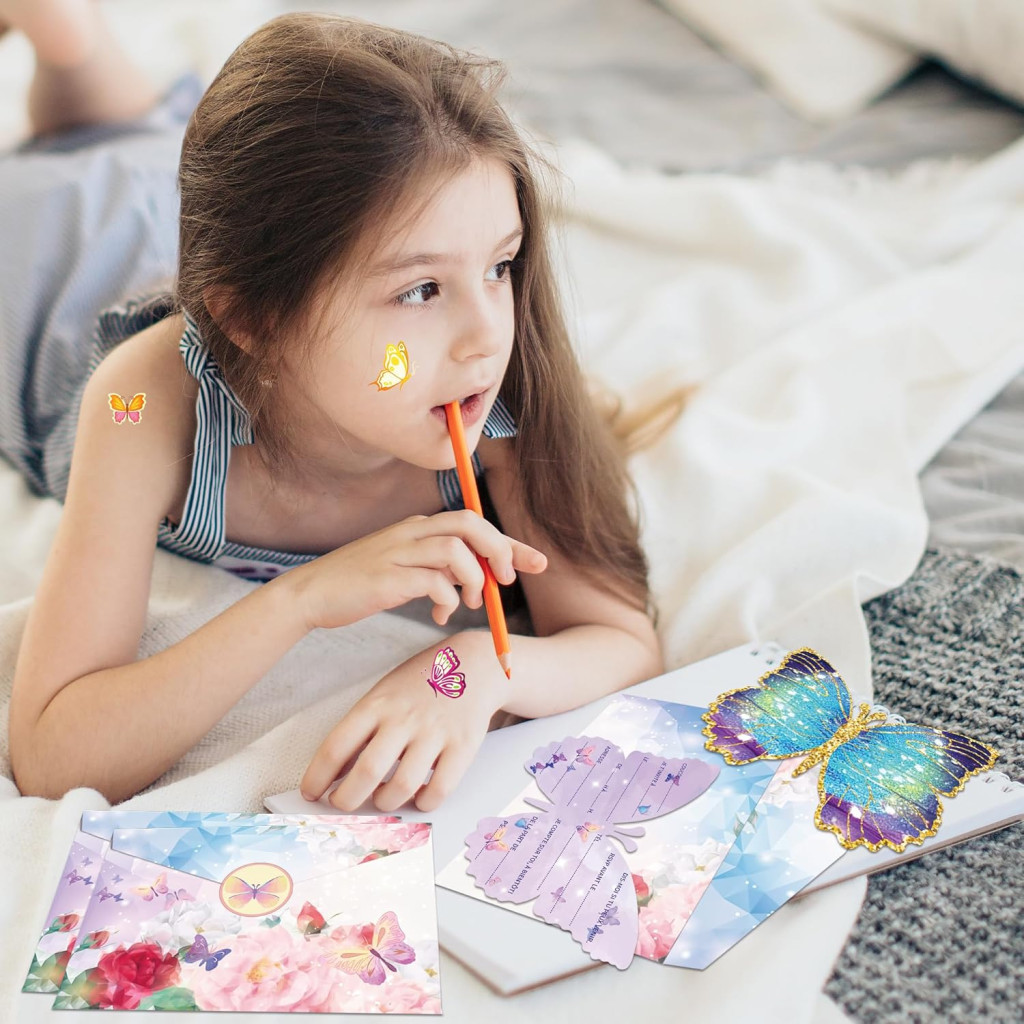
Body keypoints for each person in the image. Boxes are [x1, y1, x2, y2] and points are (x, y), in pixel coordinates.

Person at [5, 3, 675, 811]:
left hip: (202, 233)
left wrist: (470, 671)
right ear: (253, 320)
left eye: (500, 266)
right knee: (65, 192)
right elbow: (53, 755)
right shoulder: (136, 403)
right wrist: (304, 599)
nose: (485, 338)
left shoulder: (495, 395)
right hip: (44, 284)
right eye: (421, 290)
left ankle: (72, 45)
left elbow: (624, 644)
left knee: (134, 157)